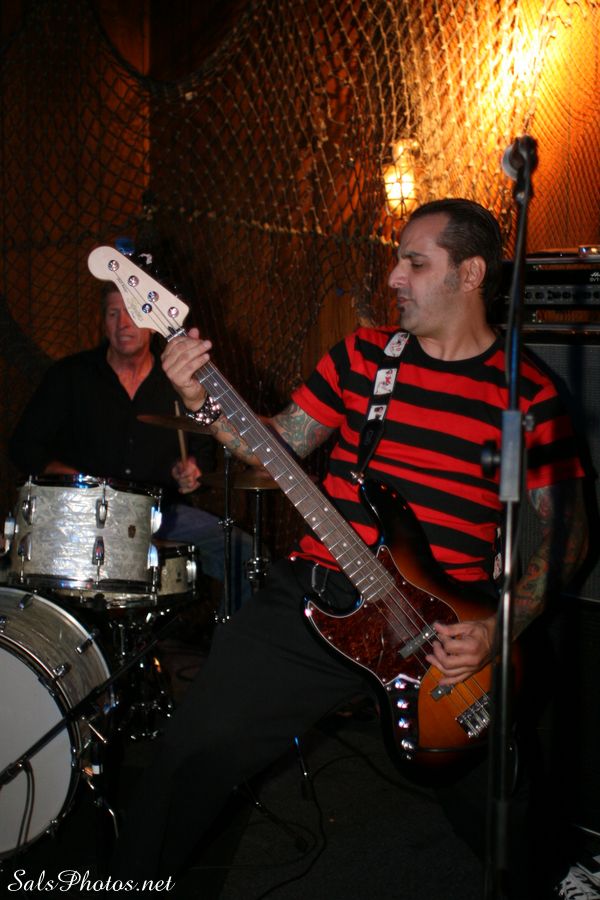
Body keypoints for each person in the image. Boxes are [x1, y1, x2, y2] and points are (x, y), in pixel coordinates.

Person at [110, 199, 589, 897]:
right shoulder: (366, 359)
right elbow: (276, 445)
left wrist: (499, 628)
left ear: (470, 274)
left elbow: (558, 535)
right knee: (193, 750)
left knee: (495, 800)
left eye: (415, 263)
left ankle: (550, 874)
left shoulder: (522, 398)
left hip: (444, 635)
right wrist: (200, 400)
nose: (394, 276)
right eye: (398, 260)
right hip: (319, 595)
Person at [8, 282, 253, 611]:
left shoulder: (178, 381)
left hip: (161, 515)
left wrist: (191, 469)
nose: (123, 323)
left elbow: (204, 454)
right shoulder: (69, 376)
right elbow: (23, 447)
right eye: (113, 313)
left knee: (245, 555)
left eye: (133, 314)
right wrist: (66, 477)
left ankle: (230, 643)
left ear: (151, 323)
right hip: (81, 517)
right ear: (103, 321)